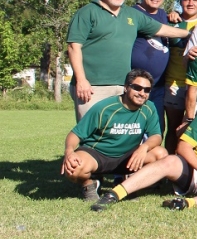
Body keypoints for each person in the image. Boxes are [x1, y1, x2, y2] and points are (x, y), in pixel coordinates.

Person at [90, 76, 197, 212]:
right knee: (170, 160)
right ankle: (114, 194)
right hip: (195, 171)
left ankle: (185, 204)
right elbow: (183, 147)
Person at [67, 0, 194, 121]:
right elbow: (73, 47)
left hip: (122, 87)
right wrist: (81, 81)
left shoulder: (130, 14)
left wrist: (191, 33)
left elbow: (162, 29)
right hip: (93, 87)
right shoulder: (87, 12)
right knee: (90, 135)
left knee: (117, 137)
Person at [61, 69, 168, 200]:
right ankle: (89, 184)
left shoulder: (149, 108)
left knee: (161, 155)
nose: (142, 93)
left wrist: (143, 148)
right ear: (126, 87)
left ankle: (129, 185)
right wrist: (69, 152)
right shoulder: (105, 108)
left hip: (128, 156)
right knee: (73, 168)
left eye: (147, 90)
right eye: (137, 88)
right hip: (98, 154)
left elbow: (156, 136)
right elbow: (75, 134)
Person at [163, 0, 197, 152]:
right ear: (181, 2)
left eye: (195, 0)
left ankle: (187, 168)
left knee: (192, 129)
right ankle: (169, 167)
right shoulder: (171, 22)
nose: (190, 3)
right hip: (174, 84)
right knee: (174, 127)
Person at [130, 0, 172, 129]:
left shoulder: (163, 15)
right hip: (136, 86)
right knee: (133, 128)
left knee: (157, 128)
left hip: (158, 87)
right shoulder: (132, 13)